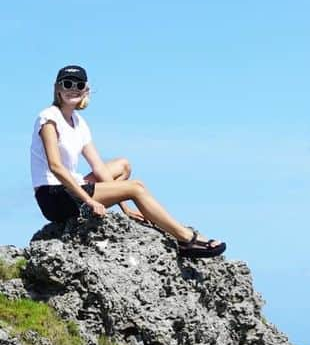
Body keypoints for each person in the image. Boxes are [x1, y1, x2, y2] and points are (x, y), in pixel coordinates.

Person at [30, 65, 226, 258]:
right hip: (54, 196)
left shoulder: (79, 123)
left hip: (71, 190)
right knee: (136, 187)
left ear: (86, 90)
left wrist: (124, 207)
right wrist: (89, 201)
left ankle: (115, 206)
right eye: (67, 84)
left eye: (79, 85)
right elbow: (56, 167)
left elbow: (97, 166)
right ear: (57, 88)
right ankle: (186, 238)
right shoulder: (49, 118)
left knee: (122, 165)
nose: (73, 89)